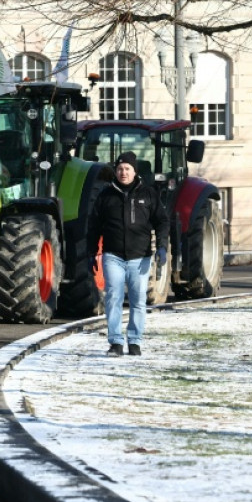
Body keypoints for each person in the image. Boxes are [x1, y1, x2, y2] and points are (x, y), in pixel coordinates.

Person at [87, 151, 168, 357]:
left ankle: (135, 341)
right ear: (116, 171)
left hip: (140, 257)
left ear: (134, 171)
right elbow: (94, 226)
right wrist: (90, 253)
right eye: (120, 169)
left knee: (138, 300)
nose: (123, 172)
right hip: (113, 256)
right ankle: (115, 342)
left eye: (127, 169)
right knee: (113, 296)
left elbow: (162, 221)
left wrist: (162, 246)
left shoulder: (148, 194)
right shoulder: (106, 195)